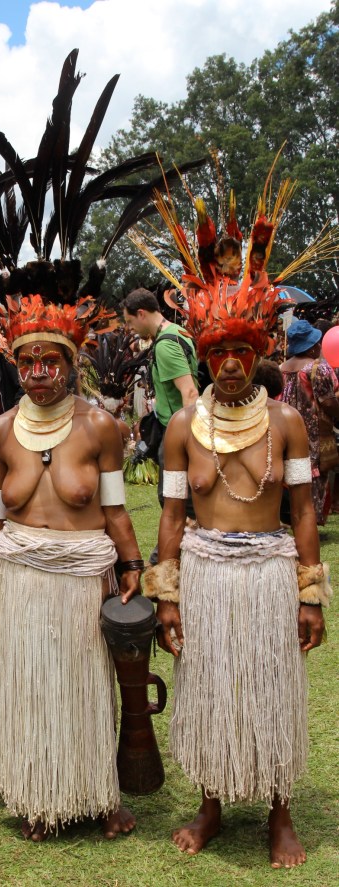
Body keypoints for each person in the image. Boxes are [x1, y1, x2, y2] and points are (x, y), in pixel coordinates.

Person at [135, 173, 329, 869]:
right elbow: (170, 513)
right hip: (207, 572)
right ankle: (212, 804)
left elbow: (302, 510)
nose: (228, 365)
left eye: (240, 353)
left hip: (269, 570)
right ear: (204, 353)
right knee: (210, 687)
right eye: (217, 353)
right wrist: (166, 592)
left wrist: (309, 595)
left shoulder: (286, 423)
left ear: (258, 352)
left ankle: (278, 811)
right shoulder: (183, 426)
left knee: (272, 688)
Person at [0, 294, 143, 841]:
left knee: (87, 686)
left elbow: (115, 510)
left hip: (80, 579)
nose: (38, 374)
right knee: (30, 686)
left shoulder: (100, 427)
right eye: (26, 363)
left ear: (72, 364)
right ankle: (39, 794)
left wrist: (133, 566)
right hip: (20, 578)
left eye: (50, 362)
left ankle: (100, 795)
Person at [122, 288, 198, 508]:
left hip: (177, 431)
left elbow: (190, 392)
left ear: (142, 314)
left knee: (173, 497)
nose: (130, 328)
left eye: (130, 321)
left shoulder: (166, 345)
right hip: (173, 427)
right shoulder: (178, 331)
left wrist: (187, 441)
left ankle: (177, 540)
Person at [279, 319, 339, 525]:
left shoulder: (281, 368)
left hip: (284, 429)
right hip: (313, 433)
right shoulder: (317, 368)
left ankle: (291, 518)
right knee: (314, 475)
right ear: (313, 346)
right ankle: (308, 522)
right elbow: (328, 402)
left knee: (289, 473)